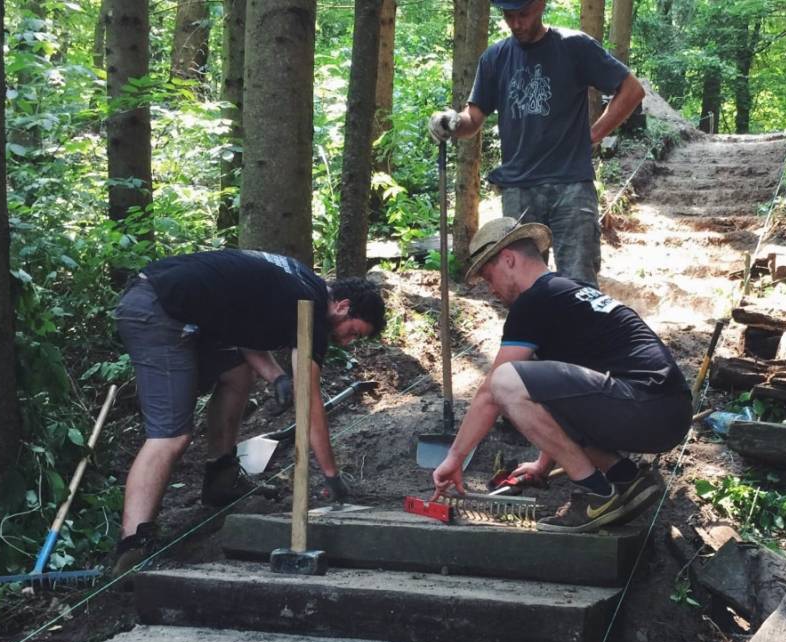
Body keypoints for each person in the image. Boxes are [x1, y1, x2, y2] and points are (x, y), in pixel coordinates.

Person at [111, 249, 385, 572]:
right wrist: (331, 475)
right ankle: (133, 547)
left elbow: (240, 331)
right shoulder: (309, 310)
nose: (348, 342)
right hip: (159, 312)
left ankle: (221, 477)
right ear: (343, 306)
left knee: (238, 373)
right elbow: (308, 401)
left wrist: (277, 376)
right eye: (353, 332)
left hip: (167, 302)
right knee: (170, 437)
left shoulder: (299, 284)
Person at [432, 217, 691, 533]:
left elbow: (492, 392)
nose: (491, 289)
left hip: (644, 404)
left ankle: (598, 493)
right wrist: (543, 464)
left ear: (509, 259)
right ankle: (625, 477)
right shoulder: (570, 292)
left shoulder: (534, 301)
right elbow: (563, 400)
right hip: (666, 411)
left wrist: (455, 457)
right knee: (527, 386)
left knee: (504, 381)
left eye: (489, 277)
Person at [428, 0, 646, 289]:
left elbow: (631, 90)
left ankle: (576, 320)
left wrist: (592, 135)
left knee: (579, 287)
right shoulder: (495, 58)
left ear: (541, 5)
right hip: (518, 188)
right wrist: (453, 121)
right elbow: (473, 119)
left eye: (523, 14)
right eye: (509, 16)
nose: (516, 24)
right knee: (522, 289)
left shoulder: (574, 46)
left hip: (571, 184)